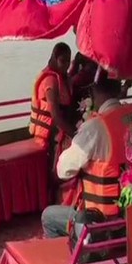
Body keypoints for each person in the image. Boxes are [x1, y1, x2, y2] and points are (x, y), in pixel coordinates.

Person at [41, 76, 132, 238]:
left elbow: (63, 170)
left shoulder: (95, 127)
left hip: (102, 223)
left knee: (49, 215)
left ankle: (66, 259)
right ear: (118, 90)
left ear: (94, 92)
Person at [29, 42, 77, 201]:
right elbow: (55, 115)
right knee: (56, 169)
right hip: (51, 136)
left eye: (68, 62)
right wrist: (75, 135)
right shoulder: (50, 80)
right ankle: (52, 201)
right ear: (55, 58)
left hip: (59, 132)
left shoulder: (62, 78)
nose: (65, 66)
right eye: (63, 61)